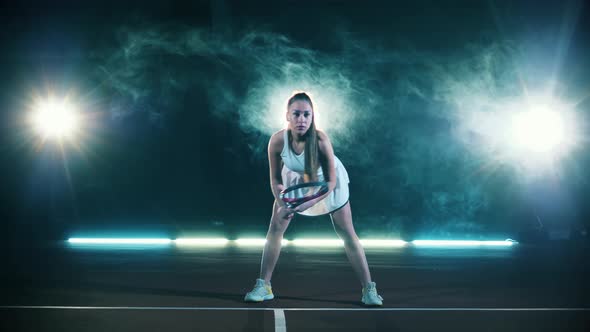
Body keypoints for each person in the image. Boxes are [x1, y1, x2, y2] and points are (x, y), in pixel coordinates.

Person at [244, 91, 383, 306]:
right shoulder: (277, 141)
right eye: (296, 114)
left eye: (306, 115)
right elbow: (274, 180)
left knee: (347, 233)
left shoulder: (321, 140)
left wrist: (303, 204)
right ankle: (264, 286)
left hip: (327, 184)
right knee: (275, 228)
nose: (301, 119)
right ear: (287, 116)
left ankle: (369, 289)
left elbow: (329, 184)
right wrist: (283, 204)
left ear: (312, 116)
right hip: (297, 182)